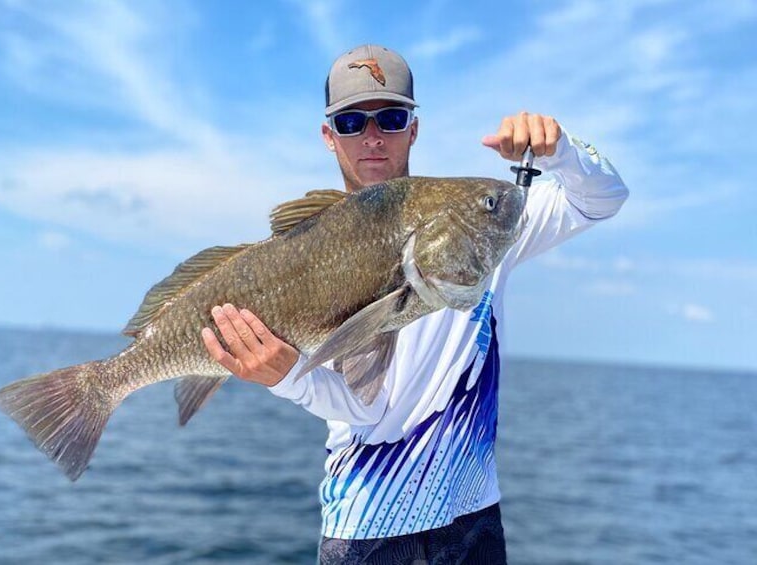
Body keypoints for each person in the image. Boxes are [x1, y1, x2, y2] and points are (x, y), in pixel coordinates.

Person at [201, 45, 628, 564]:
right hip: (367, 524)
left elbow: (603, 197)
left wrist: (560, 152)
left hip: (474, 519)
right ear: (329, 136)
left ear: (414, 128)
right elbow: (363, 408)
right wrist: (286, 375)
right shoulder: (315, 247)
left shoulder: (480, 223)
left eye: (392, 117)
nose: (374, 136)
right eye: (353, 121)